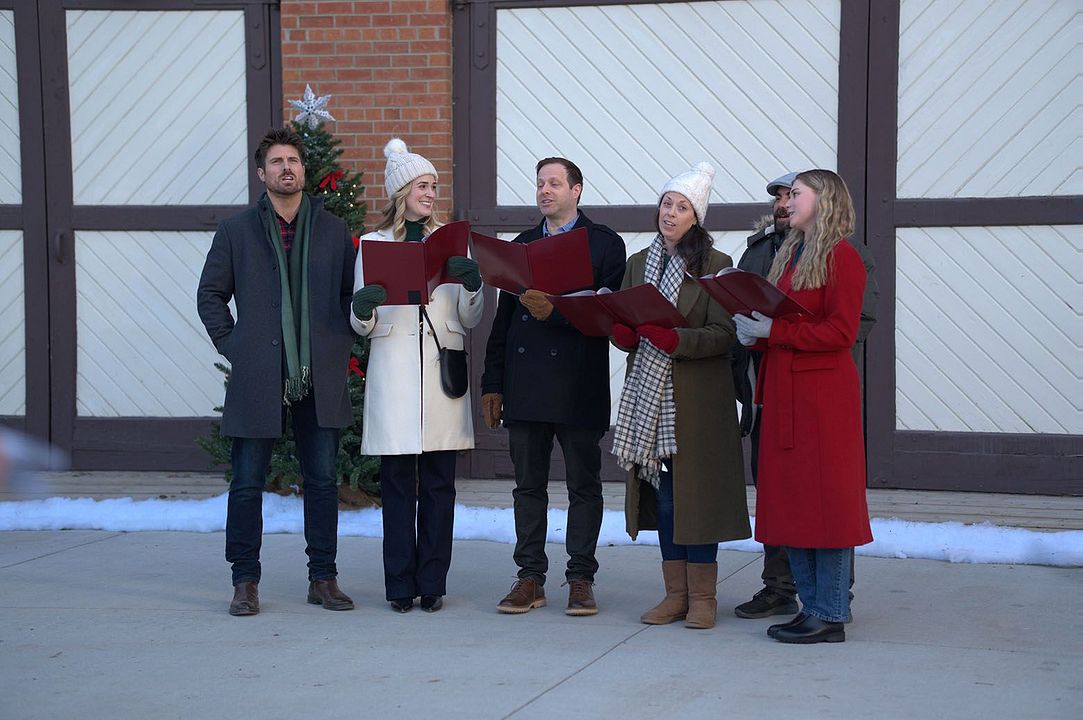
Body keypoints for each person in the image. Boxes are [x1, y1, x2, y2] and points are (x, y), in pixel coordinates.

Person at [197, 127, 357, 616]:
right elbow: (210, 296)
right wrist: (236, 347)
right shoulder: (237, 230)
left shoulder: (333, 231)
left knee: (324, 480)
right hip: (259, 374)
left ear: (304, 170)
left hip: (319, 375)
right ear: (262, 173)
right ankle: (245, 582)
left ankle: (323, 578)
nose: (287, 168)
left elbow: (353, 300)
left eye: (294, 160)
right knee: (247, 483)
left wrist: (337, 344)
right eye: (277, 162)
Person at [481, 157, 626, 616]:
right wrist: (492, 384)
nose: (545, 191)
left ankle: (581, 577)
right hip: (526, 386)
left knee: (585, 486)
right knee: (528, 487)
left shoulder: (605, 245)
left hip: (579, 383)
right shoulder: (520, 245)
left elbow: (610, 317)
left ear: (577, 190)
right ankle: (530, 577)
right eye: (540, 183)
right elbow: (501, 324)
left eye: (555, 184)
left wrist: (558, 312)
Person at [732, 172, 879, 620]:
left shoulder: (843, 256)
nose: (786, 202)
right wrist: (754, 334)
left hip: (821, 400)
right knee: (791, 504)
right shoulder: (792, 255)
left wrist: (774, 331)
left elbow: (842, 330)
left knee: (827, 506)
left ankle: (830, 613)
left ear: (824, 199)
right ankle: (811, 607)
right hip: (784, 395)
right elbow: (785, 320)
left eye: (796, 194)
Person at [611, 163, 751, 630]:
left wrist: (677, 340)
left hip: (697, 405)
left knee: (697, 499)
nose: (670, 213)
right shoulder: (637, 263)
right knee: (666, 499)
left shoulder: (714, 266)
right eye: (667, 203)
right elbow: (630, 325)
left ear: (697, 217)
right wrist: (621, 333)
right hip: (648, 402)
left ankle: (704, 599)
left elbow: (724, 334)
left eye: (682, 207)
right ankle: (676, 596)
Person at [350, 139, 484, 613]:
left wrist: (472, 285)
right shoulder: (373, 245)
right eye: (423, 185)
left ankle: (433, 584)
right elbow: (360, 322)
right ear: (402, 190)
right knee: (397, 488)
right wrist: (361, 310)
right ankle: (399, 586)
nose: (431, 192)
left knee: (439, 488)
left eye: (433, 185)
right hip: (394, 378)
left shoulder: (451, 240)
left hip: (440, 376)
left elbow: (469, 318)